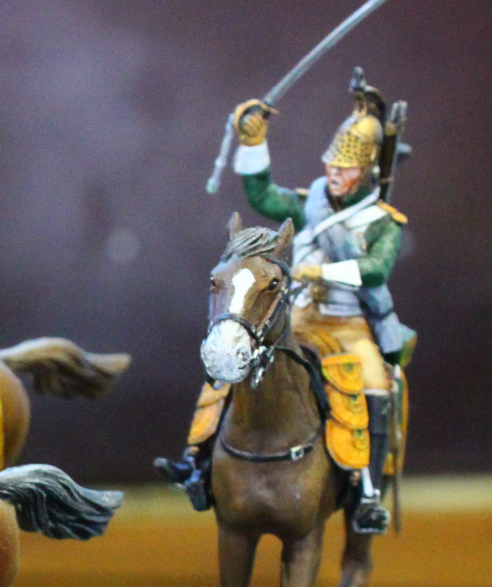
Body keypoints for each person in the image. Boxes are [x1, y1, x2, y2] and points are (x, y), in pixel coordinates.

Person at [159, 70, 409, 534]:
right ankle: (196, 458)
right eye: (332, 166)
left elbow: (376, 270)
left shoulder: (382, 223)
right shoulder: (309, 204)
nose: (334, 174)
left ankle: (368, 492)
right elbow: (261, 194)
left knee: (375, 383)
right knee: (231, 361)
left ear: (366, 173)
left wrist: (322, 272)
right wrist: (254, 141)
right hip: (296, 318)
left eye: (345, 169)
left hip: (346, 323)